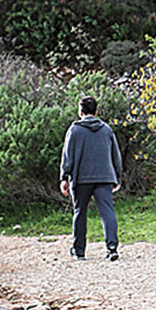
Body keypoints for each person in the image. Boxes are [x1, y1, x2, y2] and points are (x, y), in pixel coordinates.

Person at [59, 95, 122, 261]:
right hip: (105, 177)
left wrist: (64, 177)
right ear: (96, 111)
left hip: (81, 179)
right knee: (107, 211)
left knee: (80, 212)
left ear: (80, 111)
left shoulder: (74, 130)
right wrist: (117, 176)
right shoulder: (106, 129)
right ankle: (112, 248)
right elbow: (115, 155)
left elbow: (68, 156)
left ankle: (79, 251)